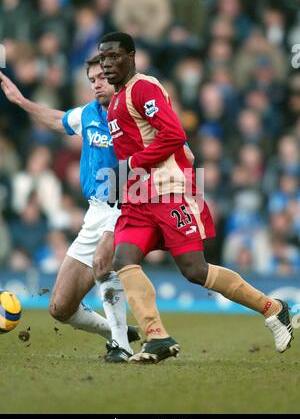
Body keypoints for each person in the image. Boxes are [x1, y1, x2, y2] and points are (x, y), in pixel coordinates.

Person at [98, 31, 294, 363]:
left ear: (132, 56)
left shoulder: (143, 88)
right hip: (136, 197)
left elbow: (174, 133)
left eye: (115, 56)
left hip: (168, 191)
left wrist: (134, 163)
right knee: (123, 259)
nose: (108, 63)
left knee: (194, 270)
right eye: (103, 58)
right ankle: (157, 336)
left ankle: (273, 308)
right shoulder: (115, 100)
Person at [0, 58, 140, 363]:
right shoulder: (88, 114)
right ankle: (116, 332)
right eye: (92, 79)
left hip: (128, 205)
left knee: (104, 262)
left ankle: (121, 346)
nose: (97, 83)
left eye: (103, 77)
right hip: (96, 211)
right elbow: (57, 119)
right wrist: (21, 100)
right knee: (60, 308)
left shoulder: (132, 114)